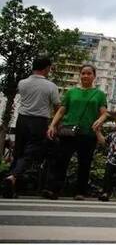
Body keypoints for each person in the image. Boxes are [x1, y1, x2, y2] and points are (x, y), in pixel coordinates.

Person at [43, 64, 108, 200]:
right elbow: (61, 110)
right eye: (83, 73)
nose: (85, 76)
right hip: (68, 131)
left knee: (84, 163)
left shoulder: (100, 94)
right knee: (61, 161)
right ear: (80, 75)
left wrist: (101, 120)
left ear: (94, 76)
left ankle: (80, 192)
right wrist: (52, 125)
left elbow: (104, 113)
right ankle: (54, 190)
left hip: (88, 134)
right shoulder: (71, 92)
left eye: (89, 73)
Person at [3, 57, 60, 199]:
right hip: (39, 121)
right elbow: (57, 107)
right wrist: (54, 124)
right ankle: (12, 177)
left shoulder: (22, 83)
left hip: (21, 120)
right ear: (47, 68)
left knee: (19, 152)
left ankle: (11, 187)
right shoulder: (51, 86)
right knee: (30, 153)